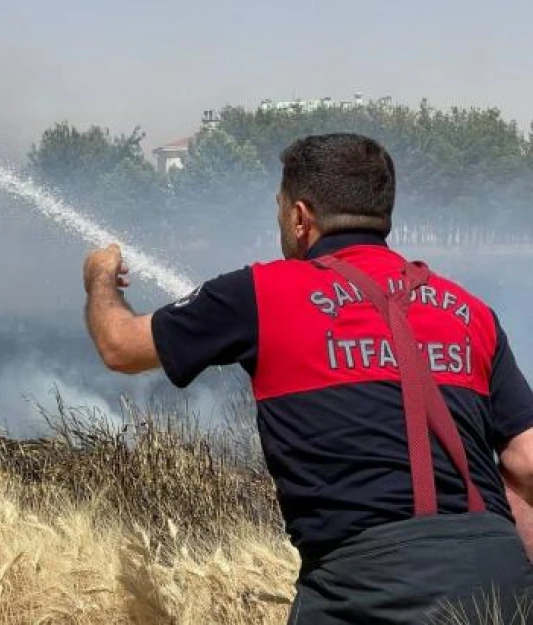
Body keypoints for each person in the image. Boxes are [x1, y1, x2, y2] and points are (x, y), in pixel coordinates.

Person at [82, 132, 533, 623]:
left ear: (300, 216)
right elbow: (526, 462)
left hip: (368, 585)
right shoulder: (471, 312)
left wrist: (99, 278)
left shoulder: (258, 292)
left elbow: (120, 345)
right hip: (501, 571)